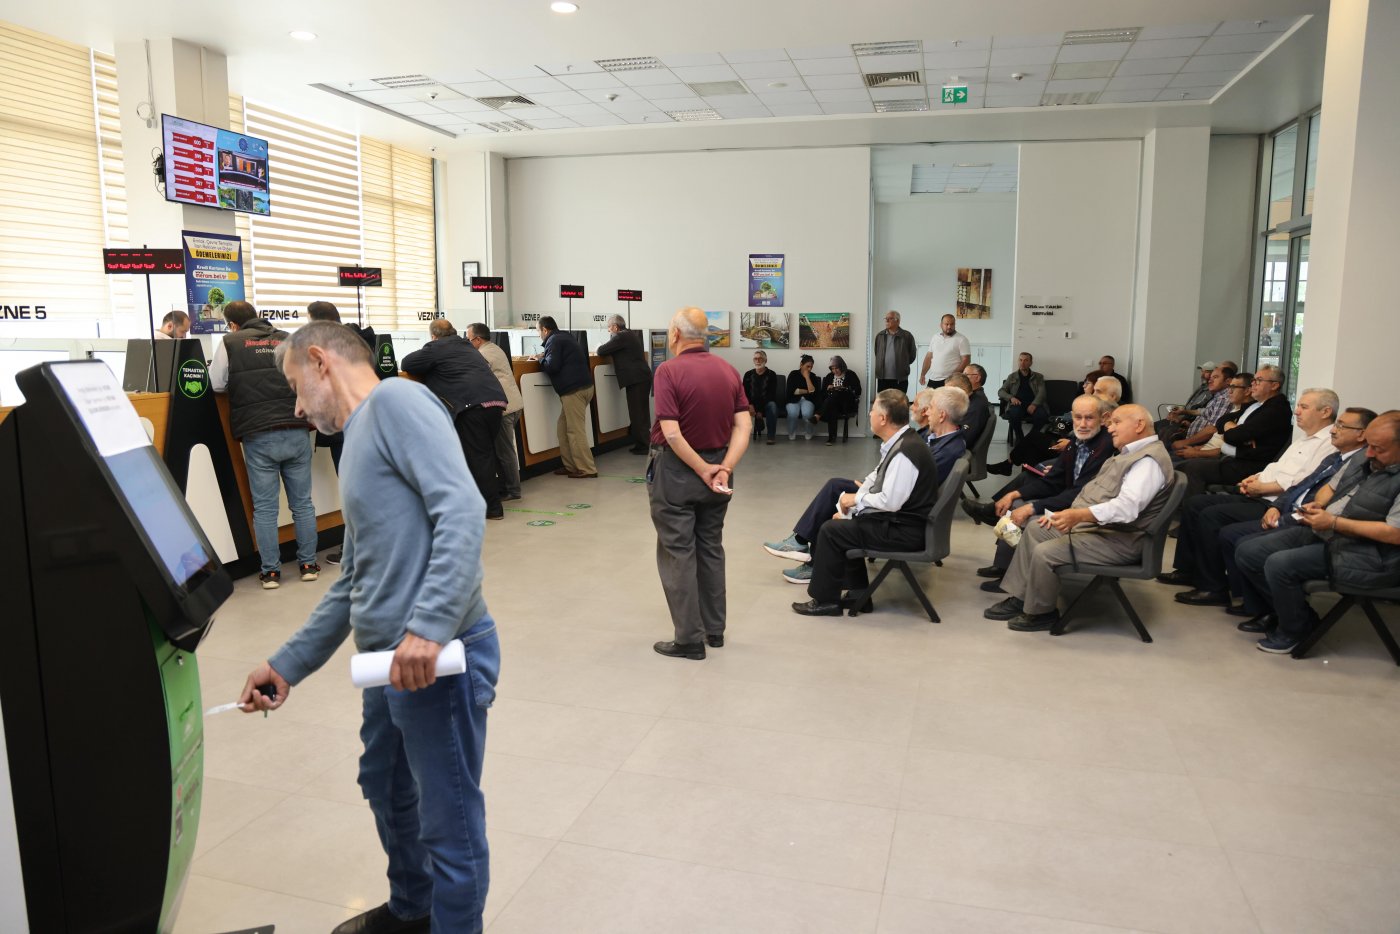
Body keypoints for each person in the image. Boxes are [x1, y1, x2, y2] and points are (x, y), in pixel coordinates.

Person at [237, 321, 499, 934]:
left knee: (450, 825)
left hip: (435, 656)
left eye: (296, 388)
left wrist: (430, 627)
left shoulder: (398, 402)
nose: (297, 409)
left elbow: (461, 508)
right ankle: (413, 909)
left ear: (320, 361)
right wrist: (287, 664)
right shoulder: (358, 436)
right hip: (389, 661)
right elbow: (354, 577)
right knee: (383, 780)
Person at [984, 404, 1174, 632]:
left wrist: (1078, 515)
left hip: (1120, 540)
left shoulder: (1148, 462)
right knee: (1036, 529)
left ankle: (1042, 613)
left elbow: (1127, 509)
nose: (1110, 428)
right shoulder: (1132, 454)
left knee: (1045, 552)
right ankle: (1022, 597)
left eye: (1116, 422)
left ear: (1139, 425)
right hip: (1103, 530)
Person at [1234, 411, 1400, 654]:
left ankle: (1293, 631)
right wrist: (1319, 505)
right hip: (1331, 532)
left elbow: (1395, 533)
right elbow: (1330, 488)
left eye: (1379, 449)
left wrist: (1334, 522)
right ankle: (1300, 617)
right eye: (1370, 445)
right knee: (1248, 551)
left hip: (1372, 554)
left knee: (1279, 564)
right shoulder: (1364, 457)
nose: (1369, 453)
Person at [1160, 388, 1340, 606]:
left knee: (1210, 515)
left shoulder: (1328, 444)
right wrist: (1254, 479)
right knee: (1195, 503)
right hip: (1262, 492)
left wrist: (1261, 488)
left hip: (1275, 504)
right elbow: (1276, 467)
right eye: (1298, 406)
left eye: (1304, 407)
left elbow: (1301, 482)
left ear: (1325, 412)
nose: (1297, 412)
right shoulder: (1304, 439)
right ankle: (1189, 570)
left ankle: (1213, 587)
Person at [1213, 408, 1375, 632]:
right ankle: (1262, 607)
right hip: (1294, 511)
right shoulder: (1335, 457)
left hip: (1322, 529)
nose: (1334, 430)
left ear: (1362, 435)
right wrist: (1277, 507)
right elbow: (1301, 487)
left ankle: (1287, 616)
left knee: (1244, 544)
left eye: (1341, 426)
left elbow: (1333, 509)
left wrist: (1288, 517)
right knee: (1234, 535)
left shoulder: (1362, 465)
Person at [649, 307, 751, 660]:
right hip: (720, 472)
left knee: (678, 551)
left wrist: (701, 468)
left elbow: (671, 432)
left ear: (675, 334)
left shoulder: (668, 371)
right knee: (710, 547)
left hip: (676, 473)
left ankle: (689, 639)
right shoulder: (728, 370)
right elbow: (743, 426)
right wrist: (723, 467)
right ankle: (714, 630)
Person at [789, 390, 941, 615]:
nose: (869, 414)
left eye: (872, 410)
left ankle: (825, 601)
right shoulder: (903, 441)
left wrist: (856, 500)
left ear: (883, 418)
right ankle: (858, 595)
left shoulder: (905, 452)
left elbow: (890, 502)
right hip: (904, 524)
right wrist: (854, 504)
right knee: (844, 521)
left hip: (905, 532)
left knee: (831, 530)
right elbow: (877, 477)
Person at [209, 300, 319, 590]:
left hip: (258, 434)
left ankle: (271, 573)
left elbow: (216, 383)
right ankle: (308, 565)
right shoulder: (289, 339)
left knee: (265, 509)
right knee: (303, 504)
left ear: (233, 324)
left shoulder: (230, 343)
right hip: (295, 429)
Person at [964, 394, 1116, 583]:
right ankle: (1004, 567)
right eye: (1078, 417)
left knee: (1023, 512)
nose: (1082, 424)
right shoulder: (1078, 442)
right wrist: (1013, 494)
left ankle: (1010, 576)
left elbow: (1079, 494)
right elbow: (1052, 481)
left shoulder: (1103, 447)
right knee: (1016, 501)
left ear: (1103, 418)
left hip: (1083, 514)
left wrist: (1032, 507)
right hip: (1071, 501)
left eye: (1089, 418)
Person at [401, 320, 509, 520]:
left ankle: (492, 508)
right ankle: (488, 501)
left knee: (477, 458)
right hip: (495, 403)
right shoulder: (467, 346)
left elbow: (407, 363)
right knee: (484, 454)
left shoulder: (437, 347)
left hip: (473, 406)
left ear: (434, 336)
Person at [1179, 364, 1293, 497]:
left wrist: (1234, 433)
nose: (1253, 384)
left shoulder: (1276, 409)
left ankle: (1194, 506)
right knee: (1184, 466)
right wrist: (1233, 428)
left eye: (1259, 380)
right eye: (1253, 380)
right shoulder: (1258, 405)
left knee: (1192, 468)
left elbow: (1232, 437)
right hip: (1236, 459)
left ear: (1274, 385)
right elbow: (1222, 421)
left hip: (1251, 466)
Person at [467, 323, 524, 501]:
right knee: (502, 450)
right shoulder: (495, 348)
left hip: (503, 408)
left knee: (505, 452)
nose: (468, 343)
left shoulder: (483, 354)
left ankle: (513, 490)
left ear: (477, 339)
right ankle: (505, 487)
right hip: (513, 404)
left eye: (469, 340)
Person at [533, 316, 595, 478]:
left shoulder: (553, 341)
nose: (538, 334)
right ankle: (571, 466)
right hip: (583, 387)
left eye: (538, 331)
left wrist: (541, 359)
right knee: (563, 429)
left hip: (574, 391)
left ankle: (587, 469)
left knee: (575, 431)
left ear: (545, 330)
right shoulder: (564, 337)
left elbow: (552, 366)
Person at [596, 314, 652, 454]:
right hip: (642, 377)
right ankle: (644, 442)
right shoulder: (630, 334)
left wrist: (607, 340)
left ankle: (643, 446)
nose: (608, 331)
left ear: (615, 327)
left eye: (609, 328)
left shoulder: (620, 337)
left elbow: (601, 351)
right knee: (642, 413)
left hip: (636, 379)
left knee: (637, 413)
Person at [1167, 364, 1237, 455]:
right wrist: (1189, 425)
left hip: (1198, 446)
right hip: (1192, 439)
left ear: (1228, 381)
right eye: (1210, 377)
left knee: (1164, 442)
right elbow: (1206, 416)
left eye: (1215, 377)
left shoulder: (1224, 399)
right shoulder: (1217, 397)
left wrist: (1185, 442)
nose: (1210, 380)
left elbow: (1214, 429)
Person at [912, 386, 968, 482]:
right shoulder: (941, 439)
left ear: (942, 415)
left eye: (931, 407)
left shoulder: (946, 453)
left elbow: (912, 482)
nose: (927, 412)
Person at [997, 352, 1048, 444]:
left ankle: (1031, 437)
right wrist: (1011, 398)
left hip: (1034, 404)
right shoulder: (1012, 376)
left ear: (1030, 363)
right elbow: (1001, 391)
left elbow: (1042, 393)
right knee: (1013, 415)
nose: (1022, 363)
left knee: (1042, 416)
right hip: (1018, 404)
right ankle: (1020, 438)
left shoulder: (1038, 377)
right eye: (1020, 360)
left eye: (1026, 360)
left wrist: (1034, 404)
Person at [813, 355, 861, 445]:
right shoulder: (829, 376)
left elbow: (858, 391)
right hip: (832, 404)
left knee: (835, 394)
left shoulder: (850, 374)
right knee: (832, 406)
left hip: (846, 404)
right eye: (832, 369)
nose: (834, 371)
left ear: (842, 366)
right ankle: (831, 438)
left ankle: (817, 415)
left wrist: (843, 388)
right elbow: (822, 393)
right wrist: (828, 389)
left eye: (837, 368)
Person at [919, 313, 971, 389]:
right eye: (946, 324)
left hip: (950, 381)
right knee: (928, 397)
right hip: (933, 379)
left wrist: (953, 377)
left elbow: (966, 360)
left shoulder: (962, 339)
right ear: (941, 325)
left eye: (952, 324)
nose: (949, 326)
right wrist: (923, 374)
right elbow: (928, 357)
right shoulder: (935, 337)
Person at [742, 349, 782, 445]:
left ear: (765, 360)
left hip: (766, 404)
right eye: (755, 359)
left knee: (772, 406)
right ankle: (739, 435)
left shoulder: (771, 374)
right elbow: (744, 393)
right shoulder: (748, 374)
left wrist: (759, 410)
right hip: (750, 404)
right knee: (736, 405)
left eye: (760, 358)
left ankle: (771, 436)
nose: (758, 361)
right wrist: (750, 405)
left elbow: (771, 395)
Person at [873, 310, 917, 395]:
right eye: (886, 318)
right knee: (884, 401)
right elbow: (877, 353)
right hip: (882, 378)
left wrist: (903, 364)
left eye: (890, 318)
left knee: (899, 401)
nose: (887, 320)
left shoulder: (907, 336)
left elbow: (912, 355)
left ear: (898, 321)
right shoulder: (880, 336)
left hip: (900, 378)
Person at [784, 354, 819, 441]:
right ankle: (791, 432)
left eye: (811, 367)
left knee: (807, 413)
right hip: (792, 399)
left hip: (808, 400)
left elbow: (813, 392)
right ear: (801, 365)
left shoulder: (813, 377)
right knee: (793, 413)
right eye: (807, 366)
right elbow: (791, 391)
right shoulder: (793, 374)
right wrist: (807, 391)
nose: (809, 369)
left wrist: (807, 378)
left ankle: (809, 432)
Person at [956, 364, 992, 441]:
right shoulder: (974, 397)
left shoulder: (976, 404)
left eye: (965, 375)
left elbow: (964, 437)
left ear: (977, 378)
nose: (961, 378)